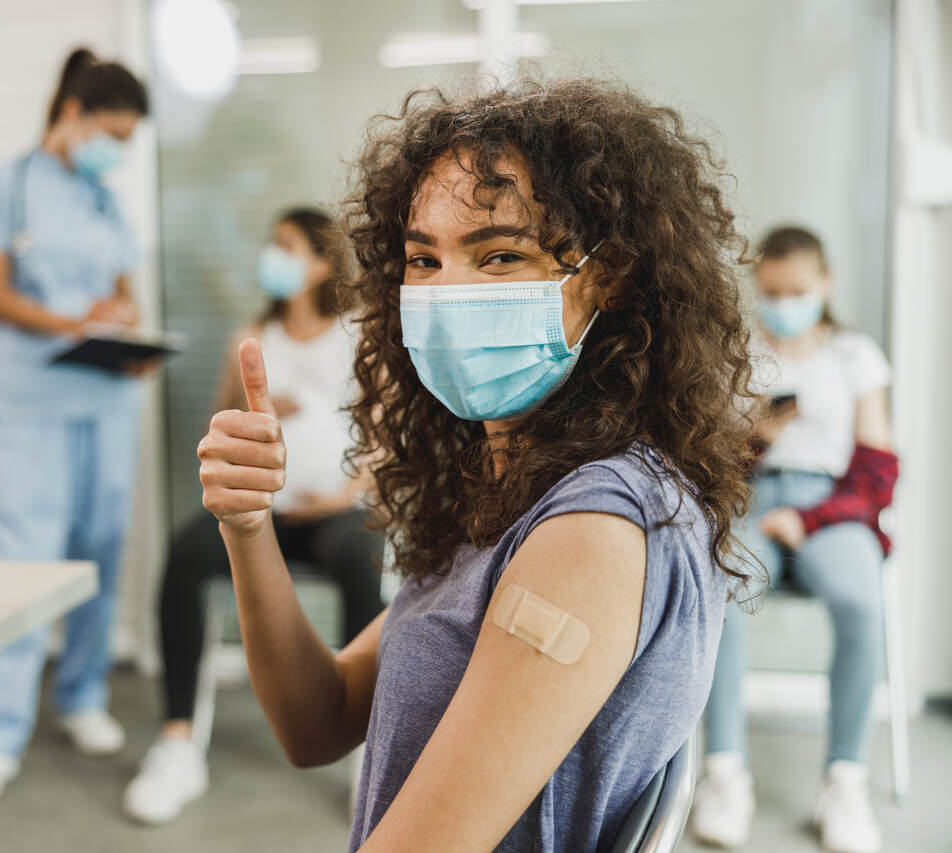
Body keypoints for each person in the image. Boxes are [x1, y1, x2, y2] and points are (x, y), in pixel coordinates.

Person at [193, 79, 759, 851]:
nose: (447, 291)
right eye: (423, 258)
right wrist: (248, 523)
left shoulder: (592, 527)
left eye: (499, 254)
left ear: (610, 276)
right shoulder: (507, 489)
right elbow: (317, 721)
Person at [123, 208, 386, 825]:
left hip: (332, 514)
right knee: (187, 552)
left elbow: (385, 439)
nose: (273, 255)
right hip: (260, 515)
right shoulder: (252, 337)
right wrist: (248, 413)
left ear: (322, 262)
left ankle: (368, 752)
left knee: (361, 553)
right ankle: (178, 741)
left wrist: (348, 493)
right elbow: (218, 428)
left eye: (286, 246)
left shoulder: (360, 336)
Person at [0, 47, 151, 804]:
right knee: (26, 564)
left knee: (98, 555)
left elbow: (124, 291)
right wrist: (74, 321)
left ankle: (81, 696)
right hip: (31, 405)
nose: (118, 151)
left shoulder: (105, 198)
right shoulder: (4, 186)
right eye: (111, 133)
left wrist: (125, 330)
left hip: (105, 402)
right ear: (71, 114)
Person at [693, 227, 898, 853]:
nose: (783, 303)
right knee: (721, 593)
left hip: (831, 510)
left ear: (825, 283)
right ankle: (724, 772)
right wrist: (756, 435)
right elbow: (712, 466)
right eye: (772, 291)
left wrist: (807, 521)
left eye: (797, 290)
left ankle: (845, 780)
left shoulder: (854, 357)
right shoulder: (741, 354)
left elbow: (878, 472)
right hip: (756, 499)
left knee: (862, 603)